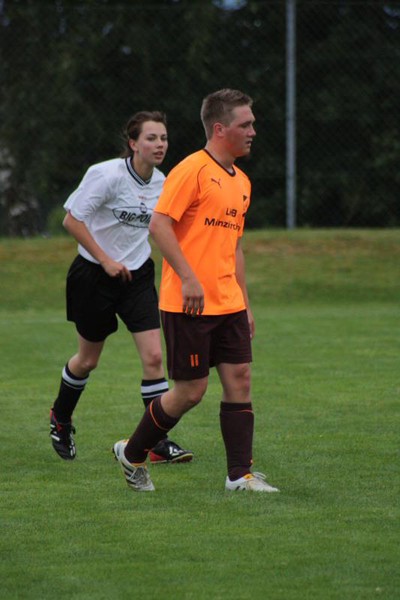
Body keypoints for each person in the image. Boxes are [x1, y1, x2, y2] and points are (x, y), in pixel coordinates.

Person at [112, 89, 279, 493]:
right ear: (220, 129)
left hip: (228, 302)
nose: (253, 131)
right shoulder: (192, 170)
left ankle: (239, 475)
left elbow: (234, 247)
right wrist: (188, 278)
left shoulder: (242, 182)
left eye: (252, 124)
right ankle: (132, 453)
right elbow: (159, 226)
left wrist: (245, 303)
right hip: (188, 302)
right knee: (190, 392)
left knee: (240, 379)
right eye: (245, 124)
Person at [49, 111, 193, 465]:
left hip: (138, 277)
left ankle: (156, 441)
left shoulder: (163, 184)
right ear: (133, 143)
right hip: (93, 276)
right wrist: (106, 260)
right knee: (88, 360)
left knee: (154, 357)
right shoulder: (106, 175)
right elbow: (72, 220)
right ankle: (60, 418)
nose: (160, 145)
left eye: (163, 138)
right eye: (151, 138)